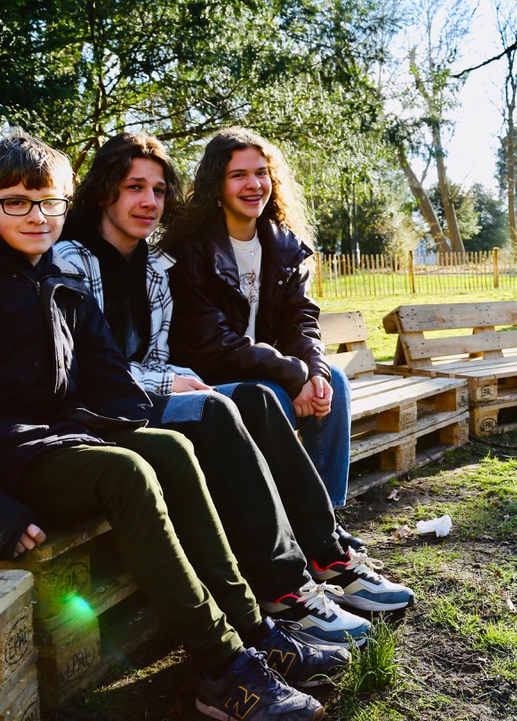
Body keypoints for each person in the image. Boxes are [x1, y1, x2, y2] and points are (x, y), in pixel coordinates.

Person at [0, 132, 342, 721]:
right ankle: (222, 669)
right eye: (17, 202)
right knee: (127, 470)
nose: (37, 216)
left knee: (171, 448)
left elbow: (107, 378)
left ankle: (256, 633)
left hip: (65, 438)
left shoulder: (57, 282)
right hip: (4, 463)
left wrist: (134, 421)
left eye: (50, 202)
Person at [54, 131, 413, 631]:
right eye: (135, 187)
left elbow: (161, 356)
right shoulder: (72, 261)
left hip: (144, 395)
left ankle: (327, 553)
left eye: (158, 191)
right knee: (234, 403)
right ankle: (283, 589)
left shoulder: (154, 270)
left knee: (256, 400)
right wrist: (171, 383)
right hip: (101, 411)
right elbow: (85, 368)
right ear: (102, 192)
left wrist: (183, 379)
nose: (149, 202)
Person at [161, 128, 352, 514]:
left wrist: (312, 371)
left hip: (264, 370)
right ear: (217, 185)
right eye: (239, 175)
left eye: (261, 173)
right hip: (207, 376)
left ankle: (326, 516)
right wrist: (291, 373)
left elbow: (300, 321)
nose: (254, 185)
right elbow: (214, 343)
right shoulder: (189, 250)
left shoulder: (283, 246)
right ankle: (298, 518)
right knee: (276, 396)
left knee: (334, 382)